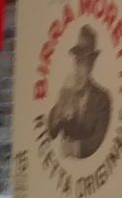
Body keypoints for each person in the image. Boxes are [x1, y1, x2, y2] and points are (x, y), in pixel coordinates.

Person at [43, 25, 112, 162]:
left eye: (84, 63)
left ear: (91, 65)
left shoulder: (102, 99)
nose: (79, 70)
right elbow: (51, 131)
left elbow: (98, 139)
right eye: (77, 62)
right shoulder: (68, 93)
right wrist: (61, 105)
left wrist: (74, 148)